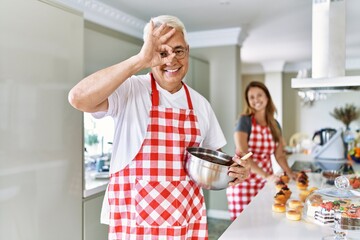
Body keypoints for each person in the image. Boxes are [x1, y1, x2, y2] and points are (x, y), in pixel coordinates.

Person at [68, 15, 250, 239]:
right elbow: (78, 98)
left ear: (188, 51)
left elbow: (215, 162)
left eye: (178, 50)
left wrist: (234, 172)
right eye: (162, 53)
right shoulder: (130, 90)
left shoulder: (200, 104)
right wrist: (139, 60)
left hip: (186, 222)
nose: (171, 60)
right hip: (136, 224)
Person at [226, 81, 296, 220]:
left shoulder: (275, 124)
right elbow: (244, 154)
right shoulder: (244, 121)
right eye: (251, 97)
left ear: (267, 97)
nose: (256, 99)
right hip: (244, 182)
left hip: (265, 182)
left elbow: (279, 155)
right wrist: (267, 176)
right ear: (248, 101)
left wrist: (290, 173)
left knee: (265, 223)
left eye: (259, 95)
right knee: (244, 229)